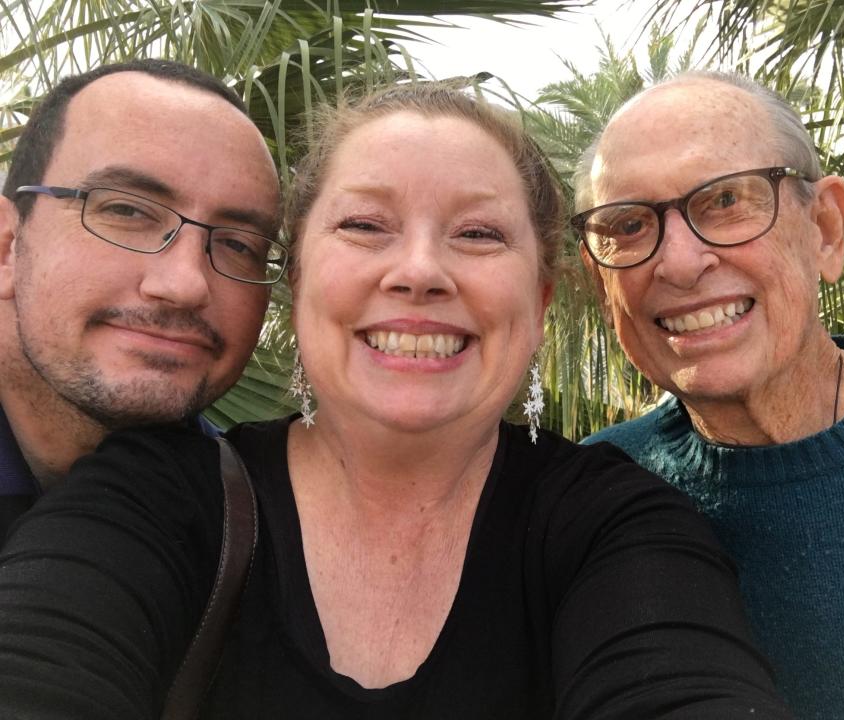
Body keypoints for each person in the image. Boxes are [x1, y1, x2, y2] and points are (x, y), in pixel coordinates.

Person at [0, 82, 794, 719]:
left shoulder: (615, 525)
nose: (419, 271)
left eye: (479, 234)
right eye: (365, 224)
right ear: (298, 280)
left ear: (541, 297)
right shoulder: (159, 494)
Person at [577, 71, 844, 719]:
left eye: (726, 200)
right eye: (630, 224)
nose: (678, 262)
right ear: (600, 282)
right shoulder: (587, 502)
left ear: (826, 229)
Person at [0, 59, 285, 537]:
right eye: (127, 210)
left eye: (239, 244)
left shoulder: (249, 526)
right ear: (8, 245)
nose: (186, 285)